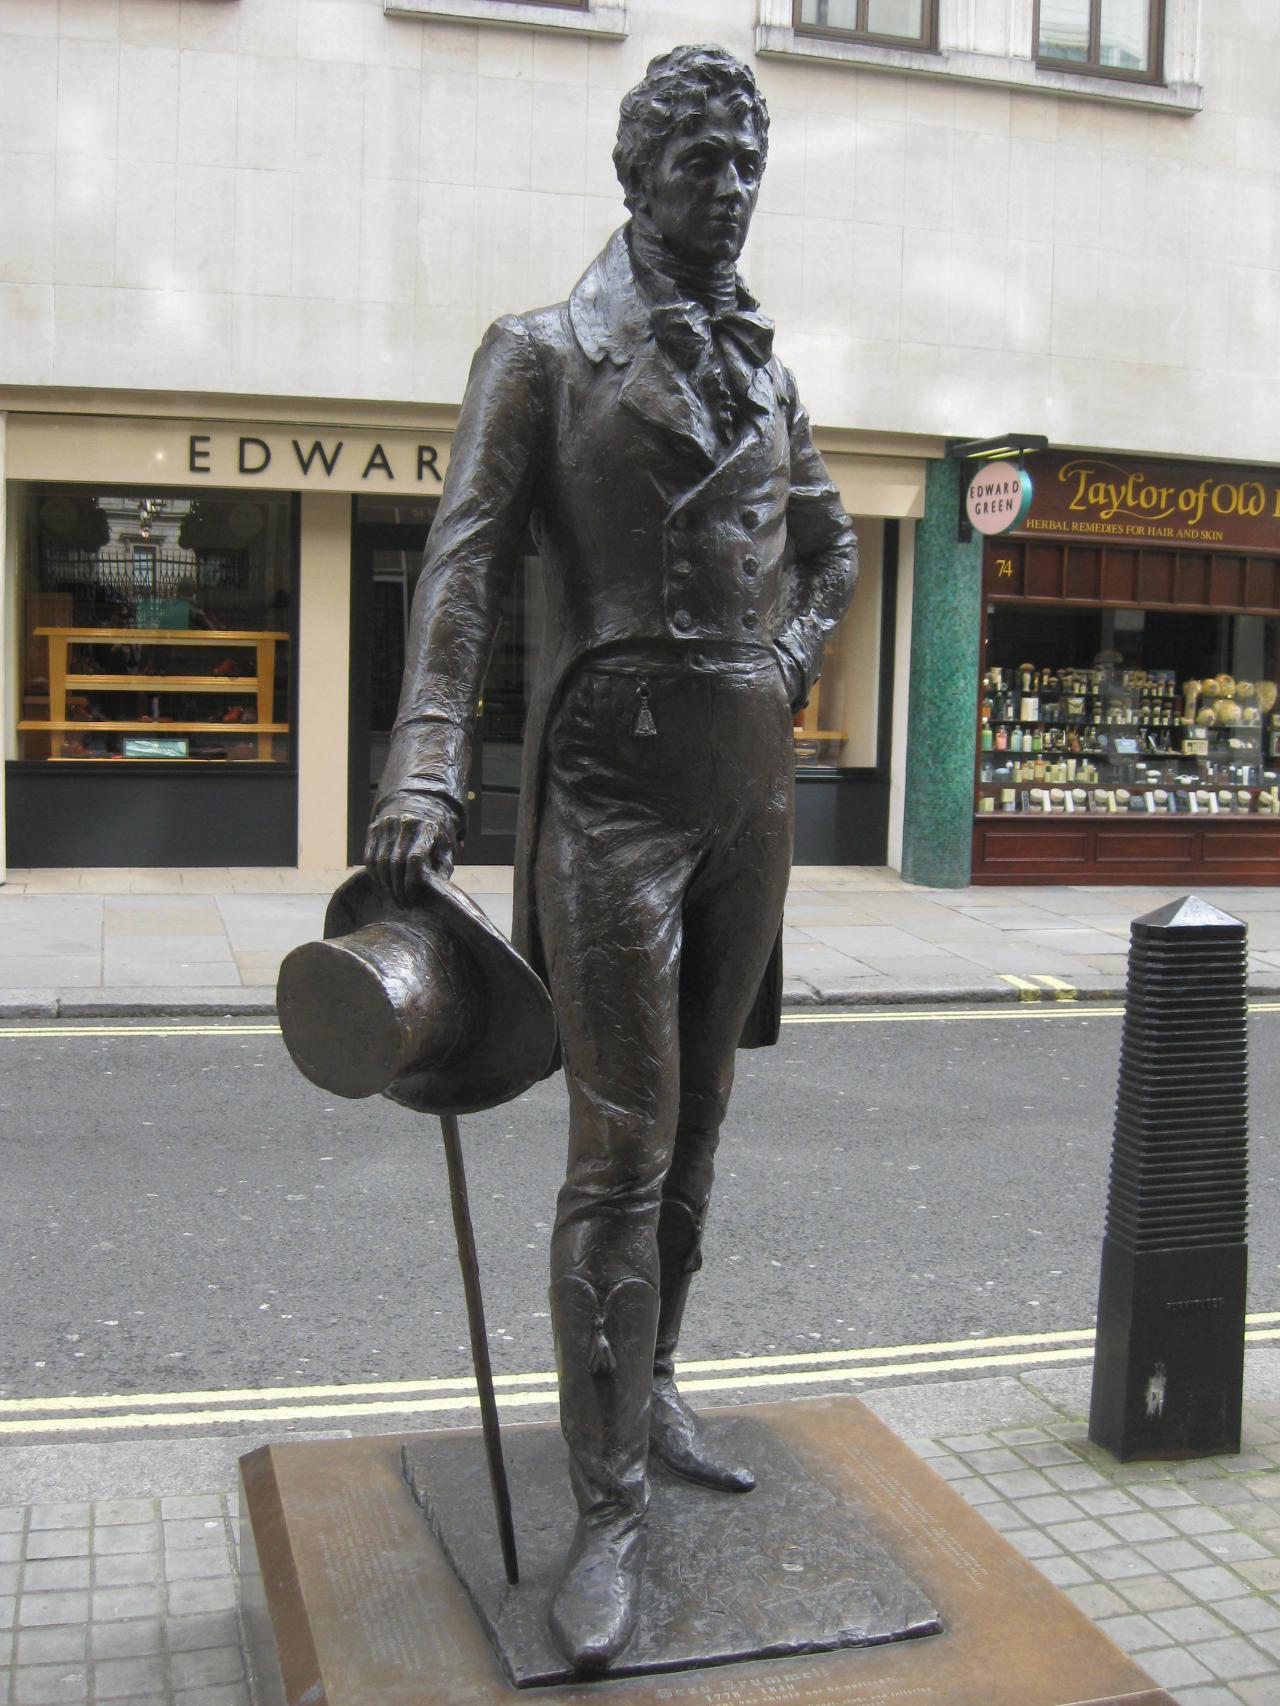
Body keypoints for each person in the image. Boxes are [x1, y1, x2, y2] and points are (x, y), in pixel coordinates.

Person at [366, 43, 857, 1672]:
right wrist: (429, 765)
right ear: (637, 175)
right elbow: (462, 568)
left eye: (747, 166)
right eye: (702, 164)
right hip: (612, 799)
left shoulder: (771, 375)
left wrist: (789, 660)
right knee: (620, 1154)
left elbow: (834, 543)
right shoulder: (544, 353)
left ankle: (653, 1389)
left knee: (700, 1135)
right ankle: (608, 1508)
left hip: (749, 803)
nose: (729, 193)